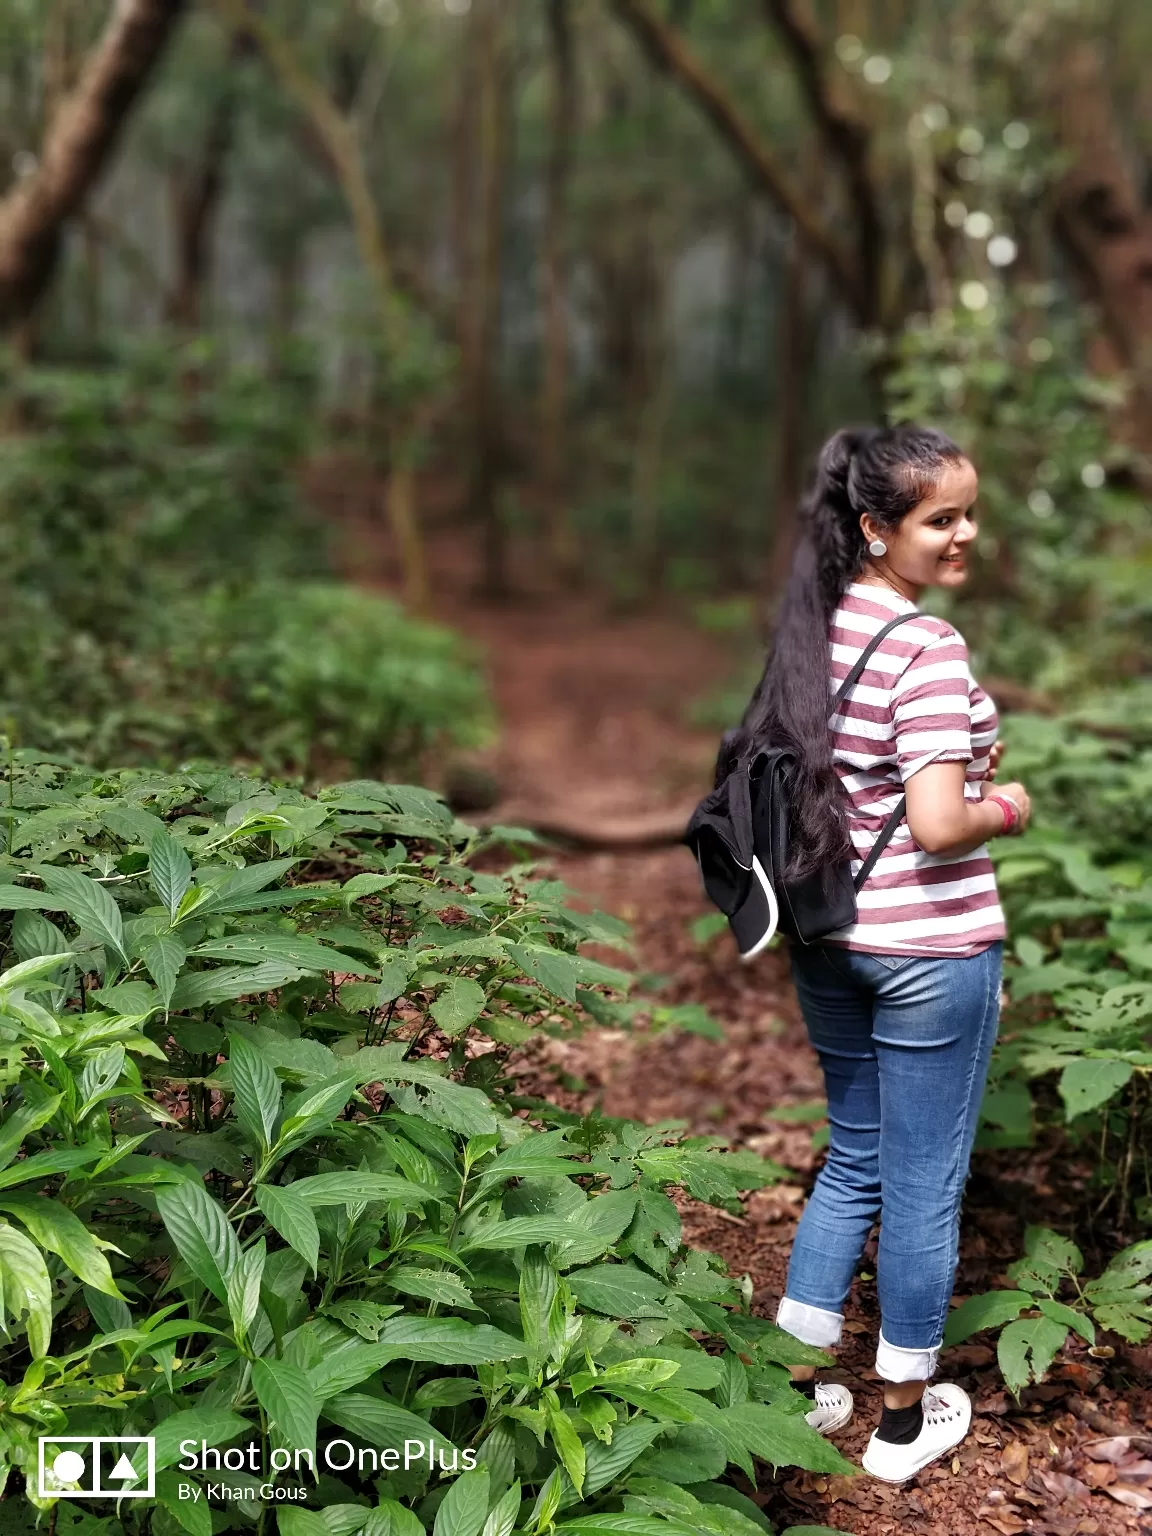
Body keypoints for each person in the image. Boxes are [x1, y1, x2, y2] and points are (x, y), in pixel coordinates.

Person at [737, 424, 1031, 1482]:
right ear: (875, 526)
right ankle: (903, 1422)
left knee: (854, 1155)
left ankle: (791, 1386)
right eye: (940, 518)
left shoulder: (816, 632)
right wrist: (1006, 803)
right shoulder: (926, 642)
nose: (965, 535)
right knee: (922, 1183)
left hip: (829, 937)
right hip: (927, 952)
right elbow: (939, 823)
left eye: (968, 513)